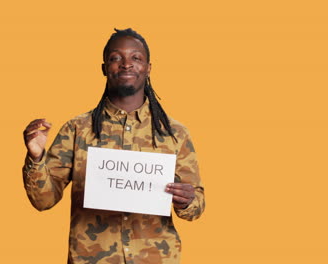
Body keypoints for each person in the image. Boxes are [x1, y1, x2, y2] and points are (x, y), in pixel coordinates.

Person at [23, 28, 205, 264]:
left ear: (148, 67)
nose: (126, 64)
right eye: (116, 58)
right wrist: (36, 158)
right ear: (104, 68)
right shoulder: (76, 129)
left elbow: (196, 206)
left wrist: (188, 201)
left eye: (136, 58)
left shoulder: (175, 133)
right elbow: (43, 201)